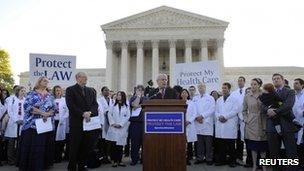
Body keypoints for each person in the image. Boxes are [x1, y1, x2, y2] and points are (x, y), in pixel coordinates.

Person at [18, 76, 55, 171]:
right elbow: (28, 107)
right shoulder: (31, 94)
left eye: (47, 81)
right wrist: (43, 113)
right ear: (39, 82)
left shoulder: (50, 95)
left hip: (45, 125)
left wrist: (48, 114)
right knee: (33, 147)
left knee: (42, 148)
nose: (46, 82)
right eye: (44, 81)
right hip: (32, 125)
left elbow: (53, 108)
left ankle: (41, 166)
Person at [263, 73, 298, 171]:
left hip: (286, 125)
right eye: (274, 79)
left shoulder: (290, 92)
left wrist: (275, 111)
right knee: (274, 153)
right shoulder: (268, 92)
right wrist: (267, 110)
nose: (276, 80)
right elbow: (262, 106)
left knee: (291, 152)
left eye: (278, 78)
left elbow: (288, 105)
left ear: (283, 80)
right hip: (272, 127)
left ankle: (293, 169)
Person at [65, 72, 99, 171]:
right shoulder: (70, 90)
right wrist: (83, 113)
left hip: (89, 123)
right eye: (83, 77)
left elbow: (95, 104)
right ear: (77, 78)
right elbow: (71, 105)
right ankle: (71, 167)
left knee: (86, 146)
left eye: (86, 77)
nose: (86, 79)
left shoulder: (91, 90)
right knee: (75, 147)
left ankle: (82, 166)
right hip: (77, 123)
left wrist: (90, 112)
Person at [243, 78, 268, 171]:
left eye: (255, 84)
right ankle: (254, 165)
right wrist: (246, 120)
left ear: (259, 85)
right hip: (252, 123)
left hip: (263, 122)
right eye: (251, 84)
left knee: (263, 147)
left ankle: (264, 165)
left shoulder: (264, 95)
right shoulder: (247, 96)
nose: (253, 86)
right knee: (254, 146)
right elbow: (244, 110)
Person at [214, 82, 239, 167]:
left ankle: (233, 161)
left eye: (225, 88)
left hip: (229, 124)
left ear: (229, 89)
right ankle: (222, 160)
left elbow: (235, 110)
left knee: (231, 145)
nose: (223, 90)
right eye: (223, 88)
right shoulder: (219, 100)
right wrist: (219, 117)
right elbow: (216, 111)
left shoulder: (234, 99)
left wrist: (225, 117)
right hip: (221, 124)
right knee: (221, 145)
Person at [107, 91, 130, 167]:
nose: (118, 96)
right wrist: (113, 123)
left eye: (120, 95)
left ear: (123, 96)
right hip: (113, 127)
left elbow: (128, 116)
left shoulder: (126, 106)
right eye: (117, 95)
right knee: (113, 145)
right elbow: (109, 114)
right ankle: (114, 161)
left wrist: (120, 124)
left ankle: (120, 161)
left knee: (120, 146)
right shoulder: (113, 105)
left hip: (122, 128)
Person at [194, 83, 215, 165]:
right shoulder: (195, 98)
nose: (200, 88)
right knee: (199, 143)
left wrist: (202, 116)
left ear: (205, 88)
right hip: (198, 123)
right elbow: (193, 109)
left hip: (207, 122)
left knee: (208, 143)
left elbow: (212, 109)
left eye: (202, 87)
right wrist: (197, 117)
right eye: (199, 87)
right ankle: (200, 158)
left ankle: (209, 159)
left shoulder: (210, 98)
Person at [4, 86, 26, 166]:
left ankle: (18, 159)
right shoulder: (12, 99)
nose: (23, 92)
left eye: (24, 91)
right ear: (18, 91)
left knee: (20, 143)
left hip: (22, 123)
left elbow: (26, 111)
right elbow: (10, 111)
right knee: (11, 143)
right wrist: (16, 120)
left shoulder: (25, 100)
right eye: (22, 91)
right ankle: (10, 160)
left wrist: (22, 120)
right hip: (13, 123)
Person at [129, 85, 147, 166]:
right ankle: (134, 159)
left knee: (145, 142)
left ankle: (144, 159)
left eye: (141, 90)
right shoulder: (133, 98)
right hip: (135, 124)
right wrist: (138, 96)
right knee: (134, 143)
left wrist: (140, 106)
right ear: (135, 91)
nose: (139, 91)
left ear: (143, 91)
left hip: (145, 123)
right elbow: (135, 105)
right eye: (138, 90)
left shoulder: (147, 99)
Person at [231, 76, 247, 166]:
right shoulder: (234, 93)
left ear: (244, 82)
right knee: (237, 139)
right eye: (239, 81)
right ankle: (238, 157)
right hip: (236, 118)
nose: (240, 82)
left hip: (245, 118)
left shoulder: (247, 91)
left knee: (246, 138)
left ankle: (249, 160)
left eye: (241, 81)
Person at [53, 85, 69, 163]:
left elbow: (67, 111)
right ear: (54, 92)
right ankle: (53, 157)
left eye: (59, 90)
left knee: (60, 140)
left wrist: (63, 119)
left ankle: (59, 157)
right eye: (56, 90)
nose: (58, 92)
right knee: (53, 140)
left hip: (61, 122)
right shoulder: (51, 100)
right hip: (53, 122)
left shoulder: (64, 100)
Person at [97, 86, 113, 164]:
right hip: (103, 122)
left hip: (110, 122)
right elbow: (99, 112)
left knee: (108, 141)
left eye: (108, 90)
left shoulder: (112, 100)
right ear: (102, 92)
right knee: (102, 141)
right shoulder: (99, 100)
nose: (107, 92)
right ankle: (102, 157)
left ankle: (107, 156)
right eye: (105, 90)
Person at [292, 78, 304, 168]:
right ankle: (298, 163)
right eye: (294, 83)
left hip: (303, 121)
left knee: (302, 142)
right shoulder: (292, 95)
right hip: (294, 122)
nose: (294, 85)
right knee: (296, 143)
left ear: (302, 85)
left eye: (296, 83)